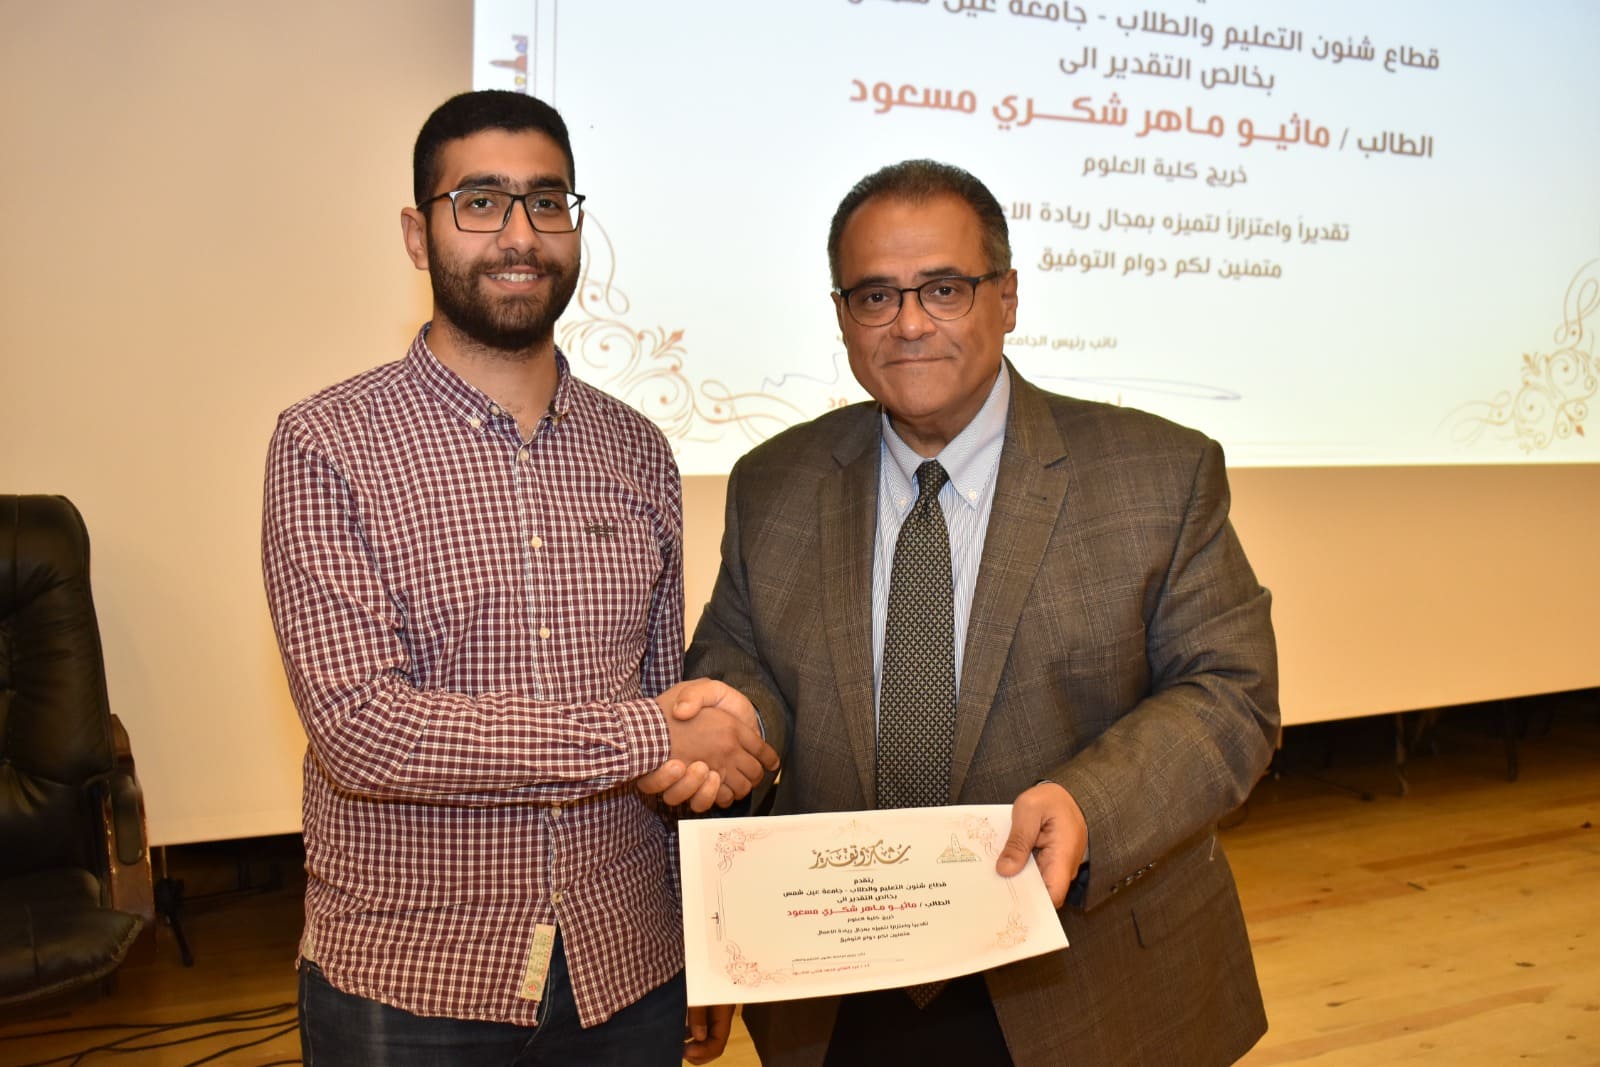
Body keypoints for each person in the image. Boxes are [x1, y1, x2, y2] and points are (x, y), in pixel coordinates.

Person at [681, 159, 1280, 1066]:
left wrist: (1090, 803)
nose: (910, 322)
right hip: (838, 984)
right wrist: (733, 719)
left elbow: (1231, 693)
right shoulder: (775, 481)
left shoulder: (1159, 473)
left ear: (1006, 297)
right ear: (843, 315)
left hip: (1089, 982)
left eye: (945, 289)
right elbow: (743, 664)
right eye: (876, 295)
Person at [261, 89, 775, 1066]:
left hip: (628, 967)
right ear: (419, 234)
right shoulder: (328, 442)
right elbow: (364, 729)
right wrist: (646, 731)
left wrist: (704, 942)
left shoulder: (637, 449)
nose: (519, 234)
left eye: (547, 202)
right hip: (412, 979)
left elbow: (664, 718)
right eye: (480, 201)